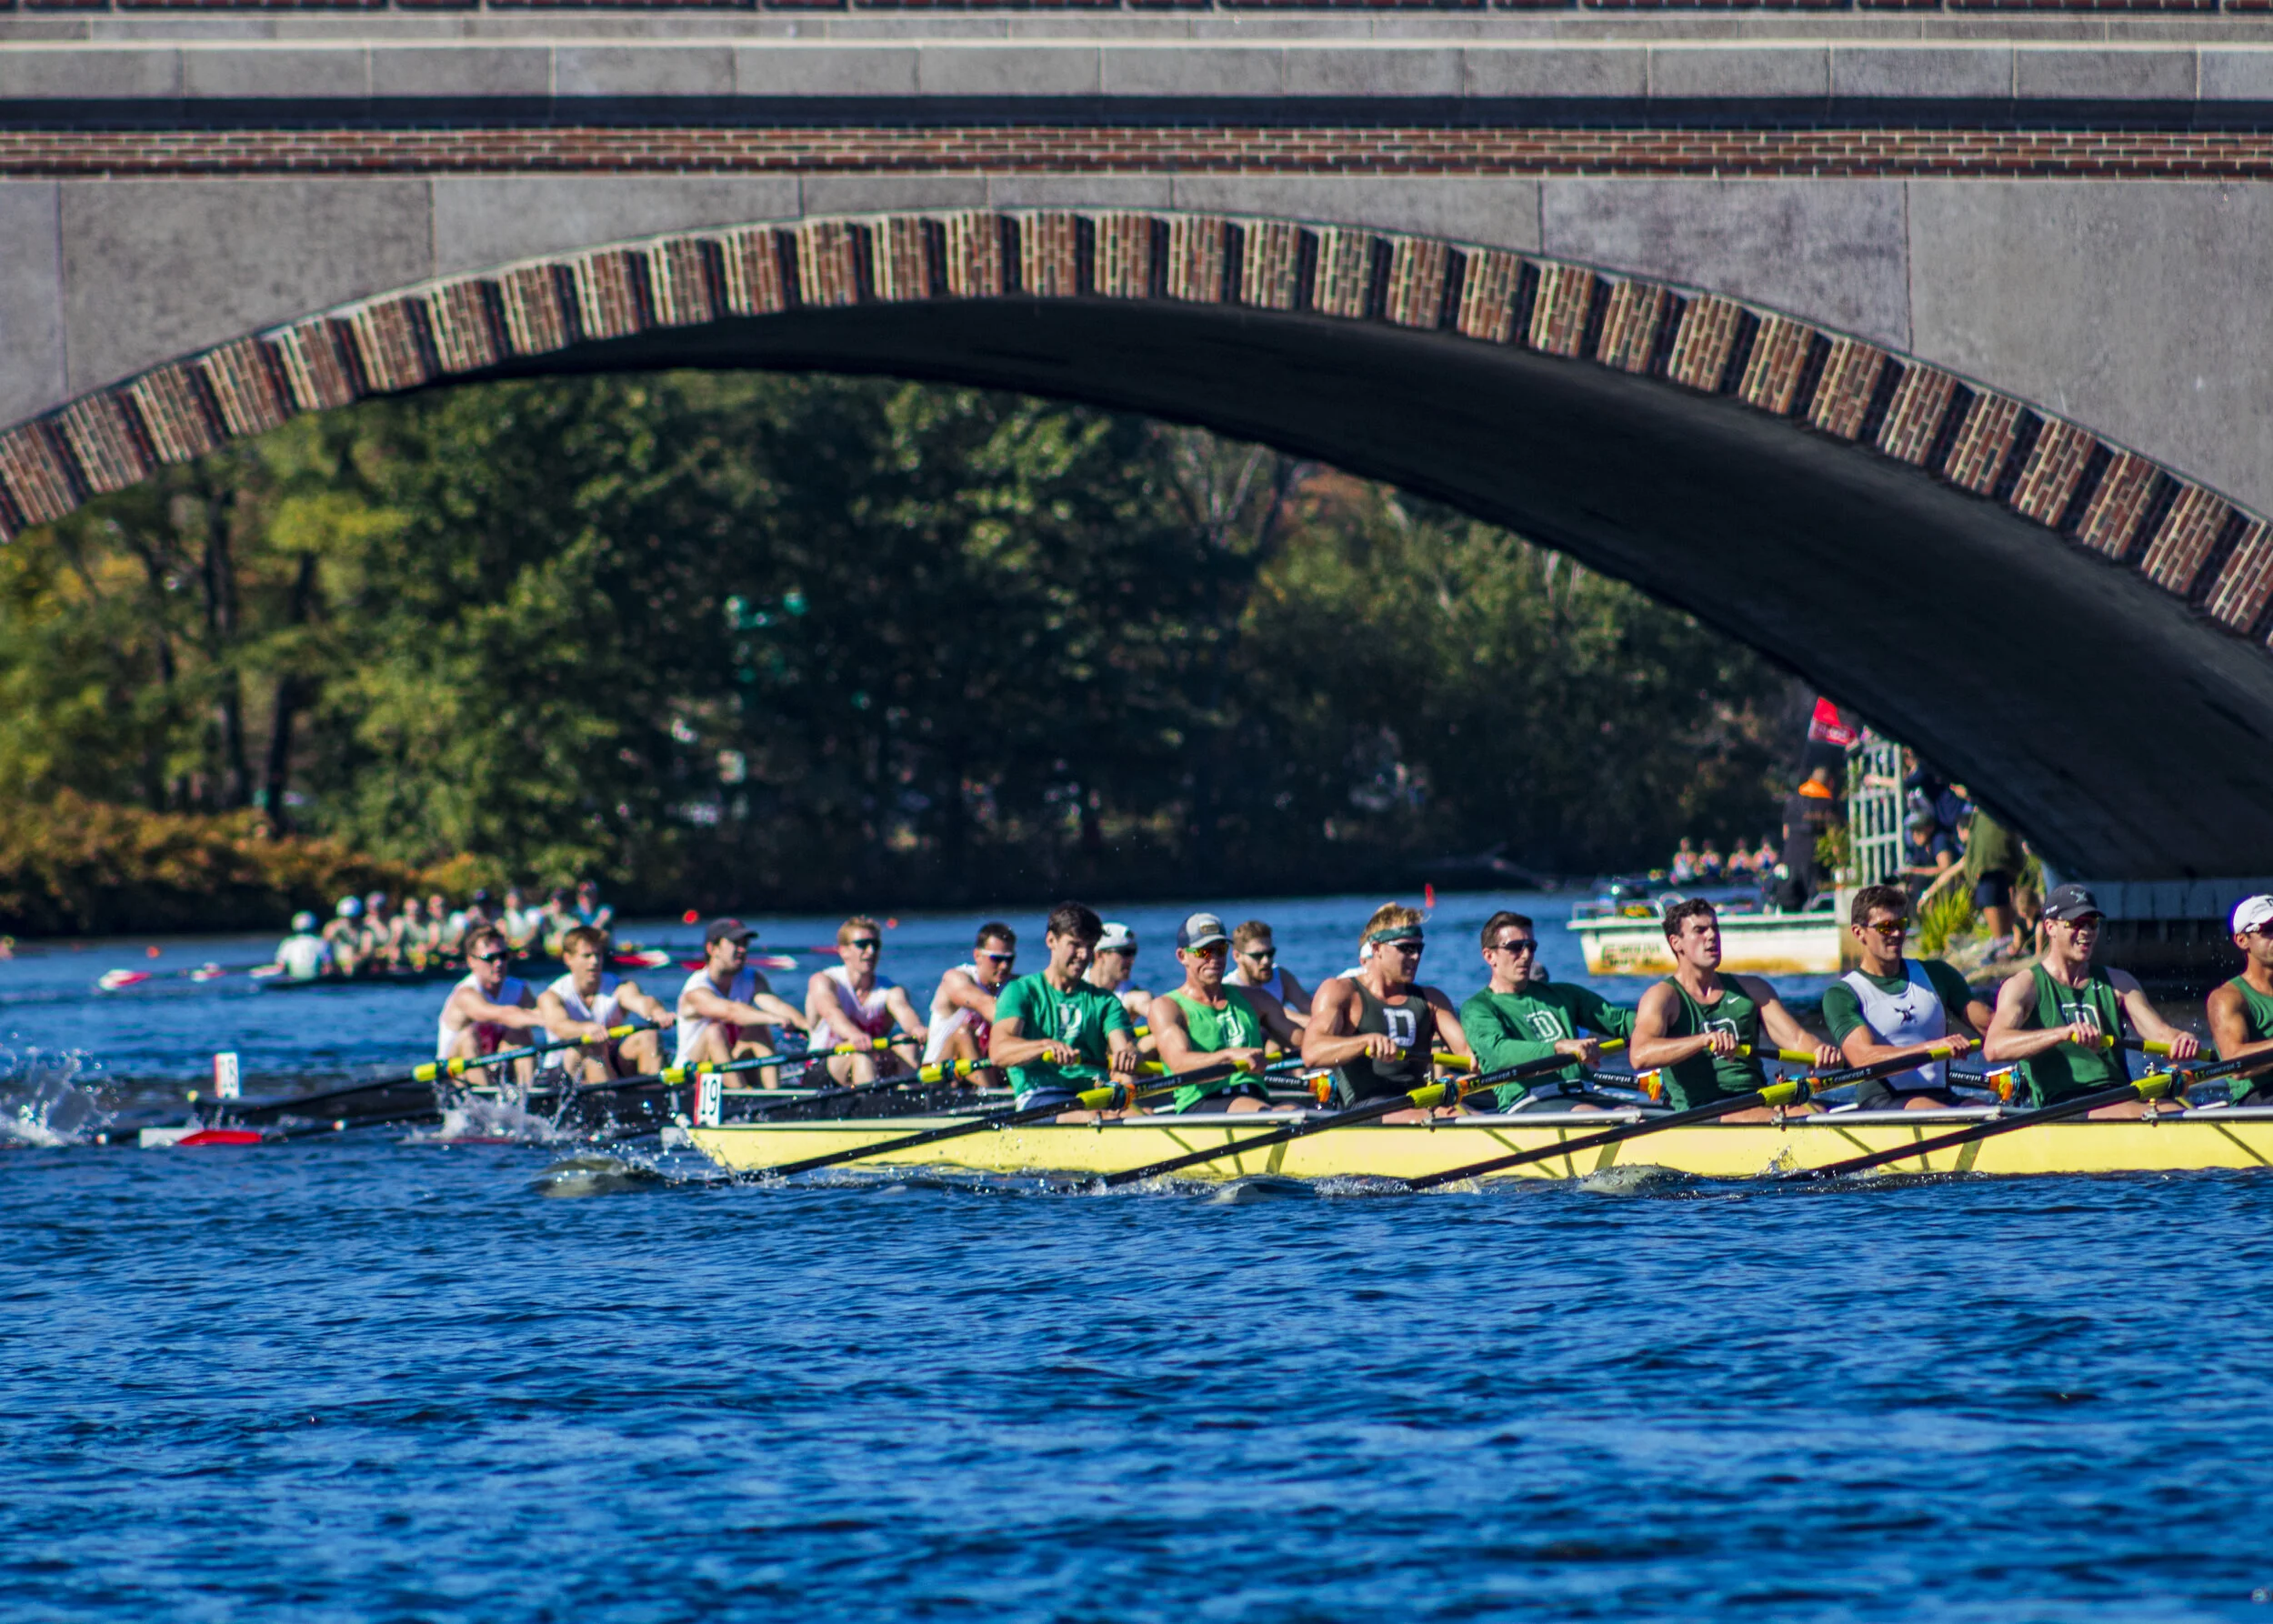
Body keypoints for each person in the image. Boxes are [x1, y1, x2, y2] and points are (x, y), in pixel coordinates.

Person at [1983, 884, 2199, 1118]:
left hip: (2118, 1095)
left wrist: (2179, 1040)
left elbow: (2159, 1033)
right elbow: (1994, 1048)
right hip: (2063, 1104)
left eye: (2092, 923)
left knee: (2176, 1111)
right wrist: (2062, 1034)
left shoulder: (2118, 983)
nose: (2086, 931)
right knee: (2147, 1114)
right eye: (2076, 923)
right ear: (2050, 927)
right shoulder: (2024, 986)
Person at [1628, 898, 1840, 1118]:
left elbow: (1796, 1039)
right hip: (1703, 1112)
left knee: (1816, 1111)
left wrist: (1819, 1050)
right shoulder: (1663, 996)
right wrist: (1703, 1040)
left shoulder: (1753, 989)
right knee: (1782, 1119)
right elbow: (1639, 1055)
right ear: (1676, 943)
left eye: (1715, 929)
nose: (1711, 936)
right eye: (1700, 930)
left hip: (1757, 1099)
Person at [1820, 885, 1993, 1110]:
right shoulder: (1842, 994)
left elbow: (1990, 1024)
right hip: (1882, 1103)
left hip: (1941, 1096)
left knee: (1989, 1113)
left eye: (1901, 925)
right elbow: (1864, 1057)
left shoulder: (1938, 975)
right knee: (1943, 1112)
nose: (1896, 934)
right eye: (1885, 927)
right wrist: (1931, 1048)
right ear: (1858, 932)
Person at [1301, 903, 1472, 1121]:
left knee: (1464, 1113)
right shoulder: (1341, 992)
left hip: (1419, 1100)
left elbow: (1466, 1053)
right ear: (1377, 949)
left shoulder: (1432, 999)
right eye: (1406, 948)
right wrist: (1364, 1042)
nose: (1416, 957)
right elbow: (1312, 1053)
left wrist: (1479, 1058)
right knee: (1439, 1116)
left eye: (1419, 949)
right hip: (1364, 1109)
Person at [1458, 911, 1634, 1113]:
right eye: (1515, 948)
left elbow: (1619, 1020)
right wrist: (1558, 1048)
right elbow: (1500, 1053)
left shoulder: (1564, 994)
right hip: (1529, 1101)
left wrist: (1661, 1022)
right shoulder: (1478, 1008)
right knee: (1609, 1116)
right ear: (1490, 956)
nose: (1526, 955)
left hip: (1583, 1092)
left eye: (1531, 947)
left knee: (1641, 1113)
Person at [991, 902, 1143, 1118]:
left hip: (1095, 1093)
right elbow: (998, 1052)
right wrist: (1045, 1046)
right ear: (1051, 940)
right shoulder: (1021, 991)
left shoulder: (1105, 1001)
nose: (1084, 955)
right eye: (1075, 945)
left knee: (1141, 1116)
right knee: (1091, 1118)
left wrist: (1129, 1052)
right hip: (1041, 1097)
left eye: (1090, 946)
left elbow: (1122, 1043)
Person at [1148, 912, 1301, 1115]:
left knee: (1297, 1111)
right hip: (1202, 1104)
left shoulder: (1257, 999)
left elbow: (1305, 1042)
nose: (1214, 959)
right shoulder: (1168, 1006)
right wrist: (1229, 1055)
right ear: (1182, 956)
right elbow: (1179, 1063)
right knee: (1285, 1116)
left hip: (1255, 1099)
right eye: (1204, 952)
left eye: (1220, 950)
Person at [536, 925, 675, 1085]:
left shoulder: (619, 987)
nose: (594, 962)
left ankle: (652, 1097)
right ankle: (611, 1101)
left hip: (608, 1061)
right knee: (591, 1044)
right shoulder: (552, 996)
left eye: (598, 955)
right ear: (568, 959)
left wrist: (657, 1013)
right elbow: (559, 1025)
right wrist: (585, 1029)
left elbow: (643, 1002)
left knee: (649, 1036)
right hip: (563, 1071)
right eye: (587, 956)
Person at [675, 917, 810, 1073]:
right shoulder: (696, 989)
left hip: (729, 1061)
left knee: (757, 1029)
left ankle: (771, 1092)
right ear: (713, 949)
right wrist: (774, 1019)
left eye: (744, 944)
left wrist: (807, 1027)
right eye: (735, 943)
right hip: (691, 1073)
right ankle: (740, 1093)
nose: (743, 949)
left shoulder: (752, 978)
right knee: (715, 1032)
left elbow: (777, 1006)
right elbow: (732, 1012)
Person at [806, 915, 926, 1086]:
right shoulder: (824, 981)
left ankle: (910, 1098)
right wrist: (854, 1035)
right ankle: (874, 1105)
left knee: (905, 1043)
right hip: (822, 1069)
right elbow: (832, 1013)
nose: (871, 951)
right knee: (861, 1055)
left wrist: (917, 1028)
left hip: (871, 1064)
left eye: (875, 945)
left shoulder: (890, 991)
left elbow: (905, 1011)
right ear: (843, 951)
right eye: (862, 945)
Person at [436, 927, 546, 1082]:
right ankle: (484, 1098)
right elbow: (501, 1015)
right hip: (453, 1076)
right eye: (490, 958)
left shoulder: (519, 989)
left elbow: (544, 1013)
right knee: (468, 1036)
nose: (499, 963)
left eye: (503, 956)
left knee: (520, 1033)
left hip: (493, 1065)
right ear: (471, 961)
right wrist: (546, 1019)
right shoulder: (465, 994)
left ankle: (527, 1094)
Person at [925, 921, 1017, 1078]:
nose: (1003, 966)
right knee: (964, 1033)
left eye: (1009, 960)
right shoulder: (956, 979)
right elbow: (985, 1004)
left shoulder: (1015, 984)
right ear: (977, 955)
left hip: (985, 1071)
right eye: (996, 959)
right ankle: (992, 1094)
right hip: (938, 1076)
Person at [2207, 895, 2273, 1107]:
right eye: (2268, 929)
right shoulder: (2227, 998)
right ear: (2242, 940)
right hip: (2259, 1097)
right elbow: (2236, 1064)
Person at [1958, 797, 2024, 957]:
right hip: (1991, 865)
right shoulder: (1979, 810)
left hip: (1992, 864)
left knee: (1991, 894)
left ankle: (2003, 943)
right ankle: (2003, 942)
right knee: (1991, 892)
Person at [1773, 766, 1841, 912]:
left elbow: (1785, 832)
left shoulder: (1793, 801)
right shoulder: (1827, 803)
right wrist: (1838, 858)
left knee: (1791, 902)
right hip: (1815, 858)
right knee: (1819, 903)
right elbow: (1833, 834)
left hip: (1791, 856)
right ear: (1829, 782)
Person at [1228, 919, 1311, 1028]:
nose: (1266, 961)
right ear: (1237, 956)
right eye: (1258, 956)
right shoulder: (1229, 989)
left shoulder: (1281, 977)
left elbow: (1311, 1009)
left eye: (1270, 953)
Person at [1086, 921, 1152, 1026]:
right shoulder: (1073, 986)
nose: (1132, 960)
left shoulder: (1133, 995)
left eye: (1133, 952)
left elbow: (1147, 1004)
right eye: (1125, 953)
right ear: (1100, 955)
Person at [274, 910, 333, 983]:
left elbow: (280, 967)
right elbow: (328, 968)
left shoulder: (287, 943)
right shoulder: (321, 942)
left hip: (293, 980)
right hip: (315, 981)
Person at [321, 896, 365, 977]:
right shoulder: (332, 927)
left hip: (357, 967)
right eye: (345, 917)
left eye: (352, 918)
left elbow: (366, 951)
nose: (348, 921)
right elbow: (325, 947)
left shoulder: (365, 930)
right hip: (336, 966)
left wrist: (354, 962)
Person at [497, 887, 539, 954]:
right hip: (513, 948)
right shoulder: (506, 915)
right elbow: (505, 935)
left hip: (531, 947)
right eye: (509, 898)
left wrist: (521, 943)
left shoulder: (532, 911)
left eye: (514, 898)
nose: (511, 900)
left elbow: (533, 932)